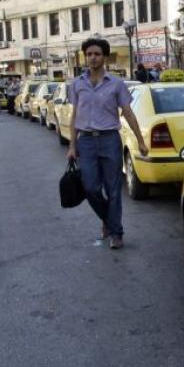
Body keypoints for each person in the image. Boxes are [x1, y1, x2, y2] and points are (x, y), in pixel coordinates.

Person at [66, 38, 148, 250]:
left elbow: (127, 112)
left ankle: (116, 233)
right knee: (90, 187)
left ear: (104, 57)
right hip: (86, 142)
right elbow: (74, 116)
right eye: (89, 54)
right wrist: (72, 146)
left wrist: (140, 140)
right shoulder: (77, 84)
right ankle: (107, 218)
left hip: (110, 139)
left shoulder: (116, 84)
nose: (92, 58)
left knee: (113, 189)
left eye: (97, 54)